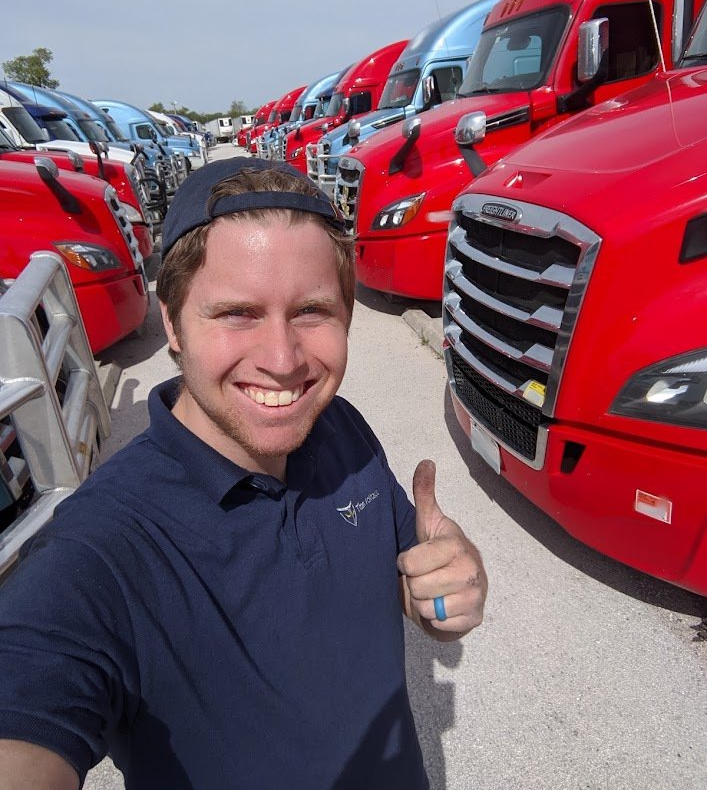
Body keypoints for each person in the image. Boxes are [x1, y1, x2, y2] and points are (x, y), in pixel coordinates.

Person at [0, 158, 487, 789]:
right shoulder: (100, 549)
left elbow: (411, 582)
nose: (283, 360)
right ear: (172, 322)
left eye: (312, 311)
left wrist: (448, 587)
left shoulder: (341, 429)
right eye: (237, 314)